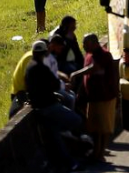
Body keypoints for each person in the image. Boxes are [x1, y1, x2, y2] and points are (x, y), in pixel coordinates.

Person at [24, 40, 87, 171]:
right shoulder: (42, 68)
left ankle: (70, 164)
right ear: (44, 53)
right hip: (48, 106)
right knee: (77, 120)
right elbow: (54, 84)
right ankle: (65, 133)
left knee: (55, 137)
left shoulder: (29, 68)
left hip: (38, 107)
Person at [71, 33, 118, 162]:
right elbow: (87, 77)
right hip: (93, 97)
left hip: (105, 97)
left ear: (94, 43)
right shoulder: (89, 55)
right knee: (94, 128)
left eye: (85, 44)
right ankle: (95, 153)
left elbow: (94, 68)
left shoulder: (104, 55)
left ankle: (100, 154)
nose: (83, 46)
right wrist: (81, 93)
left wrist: (75, 74)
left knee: (103, 128)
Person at [9, 41, 38, 118]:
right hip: (21, 92)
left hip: (22, 91)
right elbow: (30, 81)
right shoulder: (31, 57)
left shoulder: (31, 55)